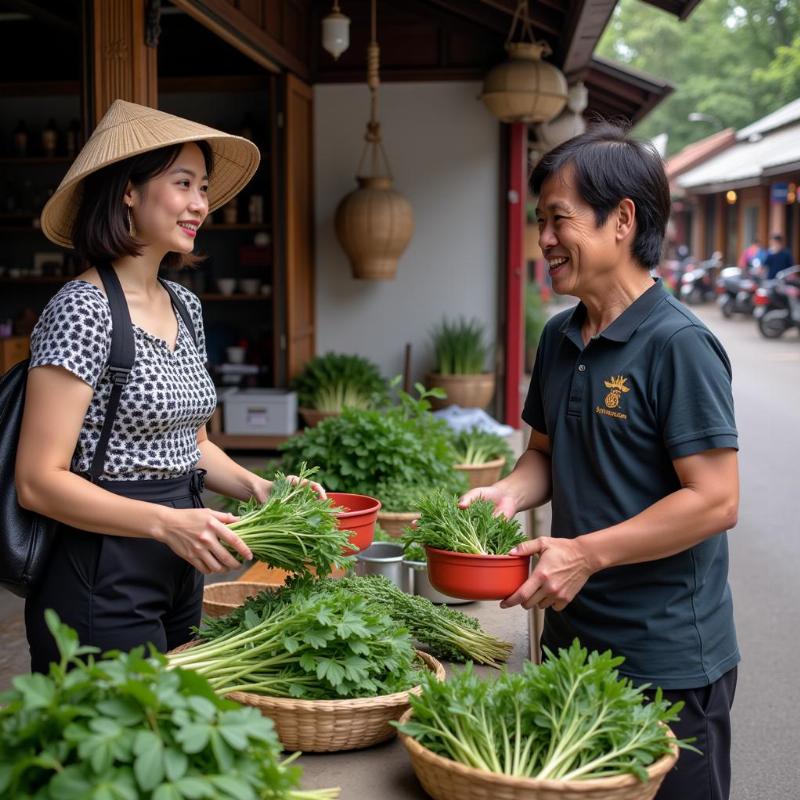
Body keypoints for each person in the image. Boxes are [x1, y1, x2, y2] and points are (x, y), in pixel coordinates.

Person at [461, 123, 739, 800]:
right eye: (539, 223)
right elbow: (545, 456)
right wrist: (509, 494)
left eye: (559, 220)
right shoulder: (560, 337)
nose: (544, 240)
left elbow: (715, 500)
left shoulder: (680, 345)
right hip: (573, 647)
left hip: (669, 660)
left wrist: (585, 553)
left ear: (622, 221)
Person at [17, 100, 324, 672]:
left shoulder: (184, 305)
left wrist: (262, 487)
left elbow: (195, 445)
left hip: (180, 552)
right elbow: (38, 481)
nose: (200, 204)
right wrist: (164, 524)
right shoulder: (82, 309)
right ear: (128, 192)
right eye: (183, 184)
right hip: (101, 564)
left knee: (167, 724)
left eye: (204, 187)